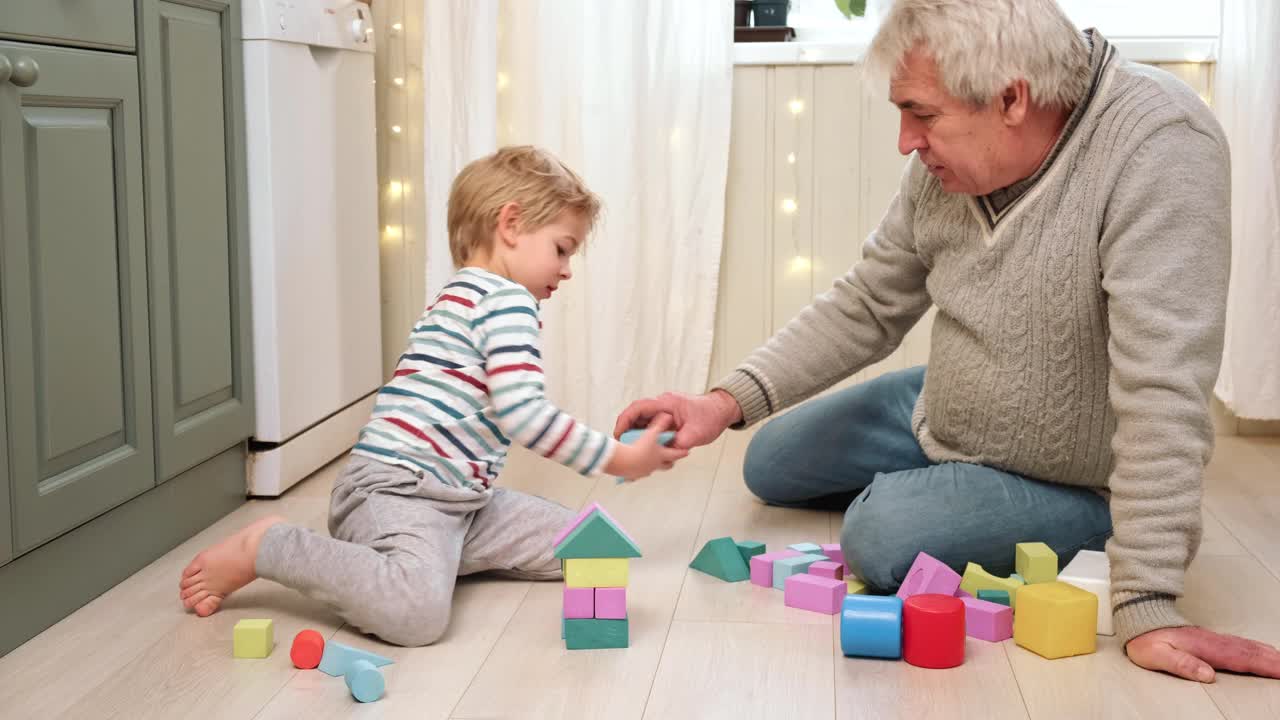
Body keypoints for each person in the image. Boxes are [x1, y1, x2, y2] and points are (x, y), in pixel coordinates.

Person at [615, 0, 1280, 683]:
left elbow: (1163, 387)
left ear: (1011, 98)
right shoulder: (951, 165)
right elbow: (869, 303)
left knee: (880, 539)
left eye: (921, 114)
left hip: (1074, 466)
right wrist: (719, 403)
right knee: (770, 461)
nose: (906, 140)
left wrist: (1145, 599)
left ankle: (1082, 518)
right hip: (950, 408)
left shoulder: (1161, 145)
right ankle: (949, 482)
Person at [179, 146, 686, 646]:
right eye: (561, 248)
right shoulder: (507, 302)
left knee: (584, 546)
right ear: (510, 225)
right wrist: (616, 458)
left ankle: (422, 559)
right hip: (397, 493)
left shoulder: (463, 294)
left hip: (461, 500)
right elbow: (523, 413)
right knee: (417, 614)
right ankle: (270, 546)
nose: (567, 268)